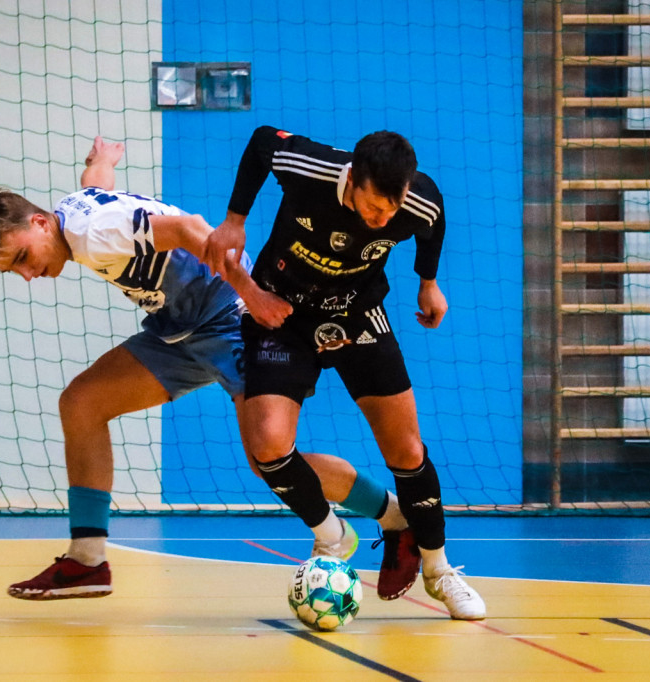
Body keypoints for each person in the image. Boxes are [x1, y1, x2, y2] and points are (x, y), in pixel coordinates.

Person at [0, 137, 422, 601]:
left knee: (270, 461)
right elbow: (97, 188)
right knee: (82, 402)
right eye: (12, 270)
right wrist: (102, 162)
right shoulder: (72, 212)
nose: (26, 274)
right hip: (178, 329)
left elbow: (188, 228)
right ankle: (86, 561)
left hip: (229, 314)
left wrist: (254, 293)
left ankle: (394, 516)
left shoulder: (95, 231)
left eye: (22, 257)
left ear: (40, 223)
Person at [203, 126, 486, 620]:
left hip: (357, 316)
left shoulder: (418, 201)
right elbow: (263, 139)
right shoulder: (308, 167)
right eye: (374, 206)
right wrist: (234, 219)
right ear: (352, 178)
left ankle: (440, 572)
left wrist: (428, 282)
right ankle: (333, 537)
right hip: (280, 313)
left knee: (407, 449)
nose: (381, 220)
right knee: (267, 446)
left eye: (391, 210)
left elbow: (432, 223)